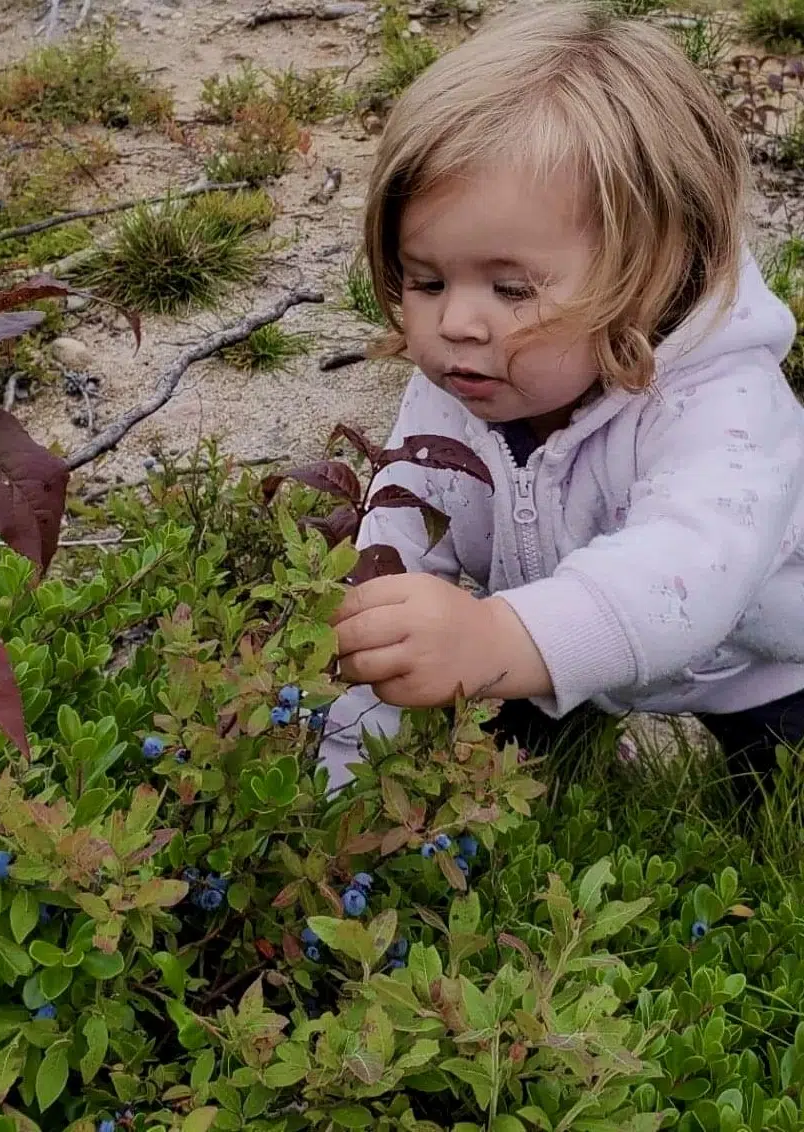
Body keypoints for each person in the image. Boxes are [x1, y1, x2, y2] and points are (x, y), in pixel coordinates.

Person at [318, 0, 804, 799]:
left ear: (650, 271)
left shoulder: (725, 405)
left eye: (511, 289)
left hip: (758, 663)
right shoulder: (455, 386)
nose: (456, 324)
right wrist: (352, 742)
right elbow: (399, 543)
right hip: (538, 618)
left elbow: (683, 579)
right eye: (425, 280)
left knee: (782, 796)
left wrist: (495, 634)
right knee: (450, 758)